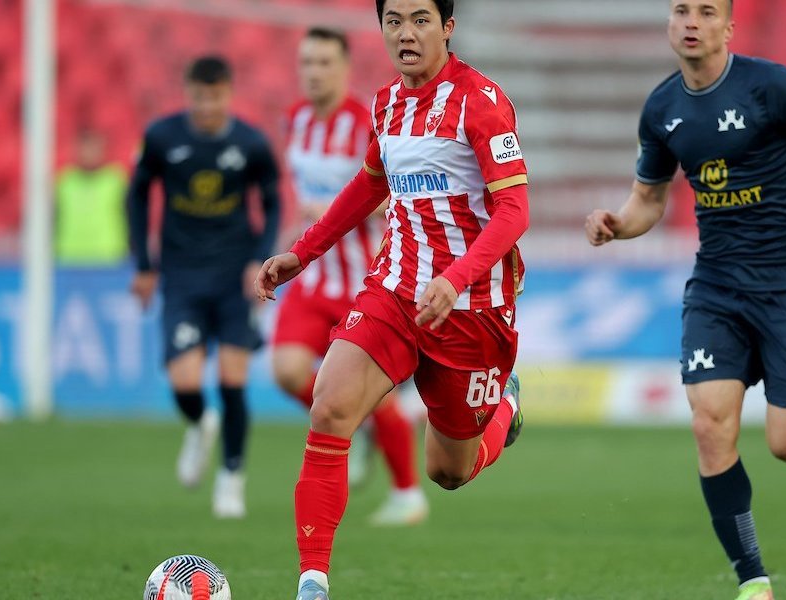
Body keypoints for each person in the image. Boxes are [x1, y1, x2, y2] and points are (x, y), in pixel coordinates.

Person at [584, 1, 786, 599]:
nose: (692, 21)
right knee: (709, 424)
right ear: (669, 24)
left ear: (728, 27)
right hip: (716, 285)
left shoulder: (772, 87)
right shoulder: (662, 109)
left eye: (707, 11)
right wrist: (617, 222)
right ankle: (753, 580)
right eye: (681, 10)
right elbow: (649, 199)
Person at [255, 1, 528, 598]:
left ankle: (505, 406)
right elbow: (369, 185)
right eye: (394, 21)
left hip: (471, 309)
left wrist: (455, 279)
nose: (406, 33)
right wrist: (303, 252)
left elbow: (514, 211)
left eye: (421, 20)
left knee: (448, 471)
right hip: (395, 291)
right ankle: (312, 582)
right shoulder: (386, 104)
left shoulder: (481, 102)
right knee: (329, 408)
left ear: (448, 28)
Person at [275, 26, 427, 526]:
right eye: (307, 63)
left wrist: (334, 211)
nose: (314, 72)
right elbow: (300, 197)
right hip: (314, 280)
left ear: (344, 68)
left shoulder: (368, 121)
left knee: (369, 392)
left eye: (324, 62)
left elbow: (397, 194)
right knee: (287, 371)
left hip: (361, 280)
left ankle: (408, 494)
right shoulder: (296, 120)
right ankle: (355, 423)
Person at [127, 55, 281, 519]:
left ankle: (231, 479)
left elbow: (272, 204)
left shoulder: (251, 143)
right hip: (182, 275)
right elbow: (137, 195)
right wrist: (144, 264)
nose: (207, 106)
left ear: (228, 94)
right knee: (185, 381)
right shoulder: (162, 137)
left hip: (234, 277)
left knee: (233, 379)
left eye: (215, 97)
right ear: (187, 93)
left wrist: (259, 259)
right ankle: (199, 423)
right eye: (199, 96)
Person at [55, 130, 128, 265]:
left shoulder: (115, 179)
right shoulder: (65, 180)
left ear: (103, 151)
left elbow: (130, 215)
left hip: (108, 256)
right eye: (86, 149)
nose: (89, 154)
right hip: (69, 256)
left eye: (94, 149)